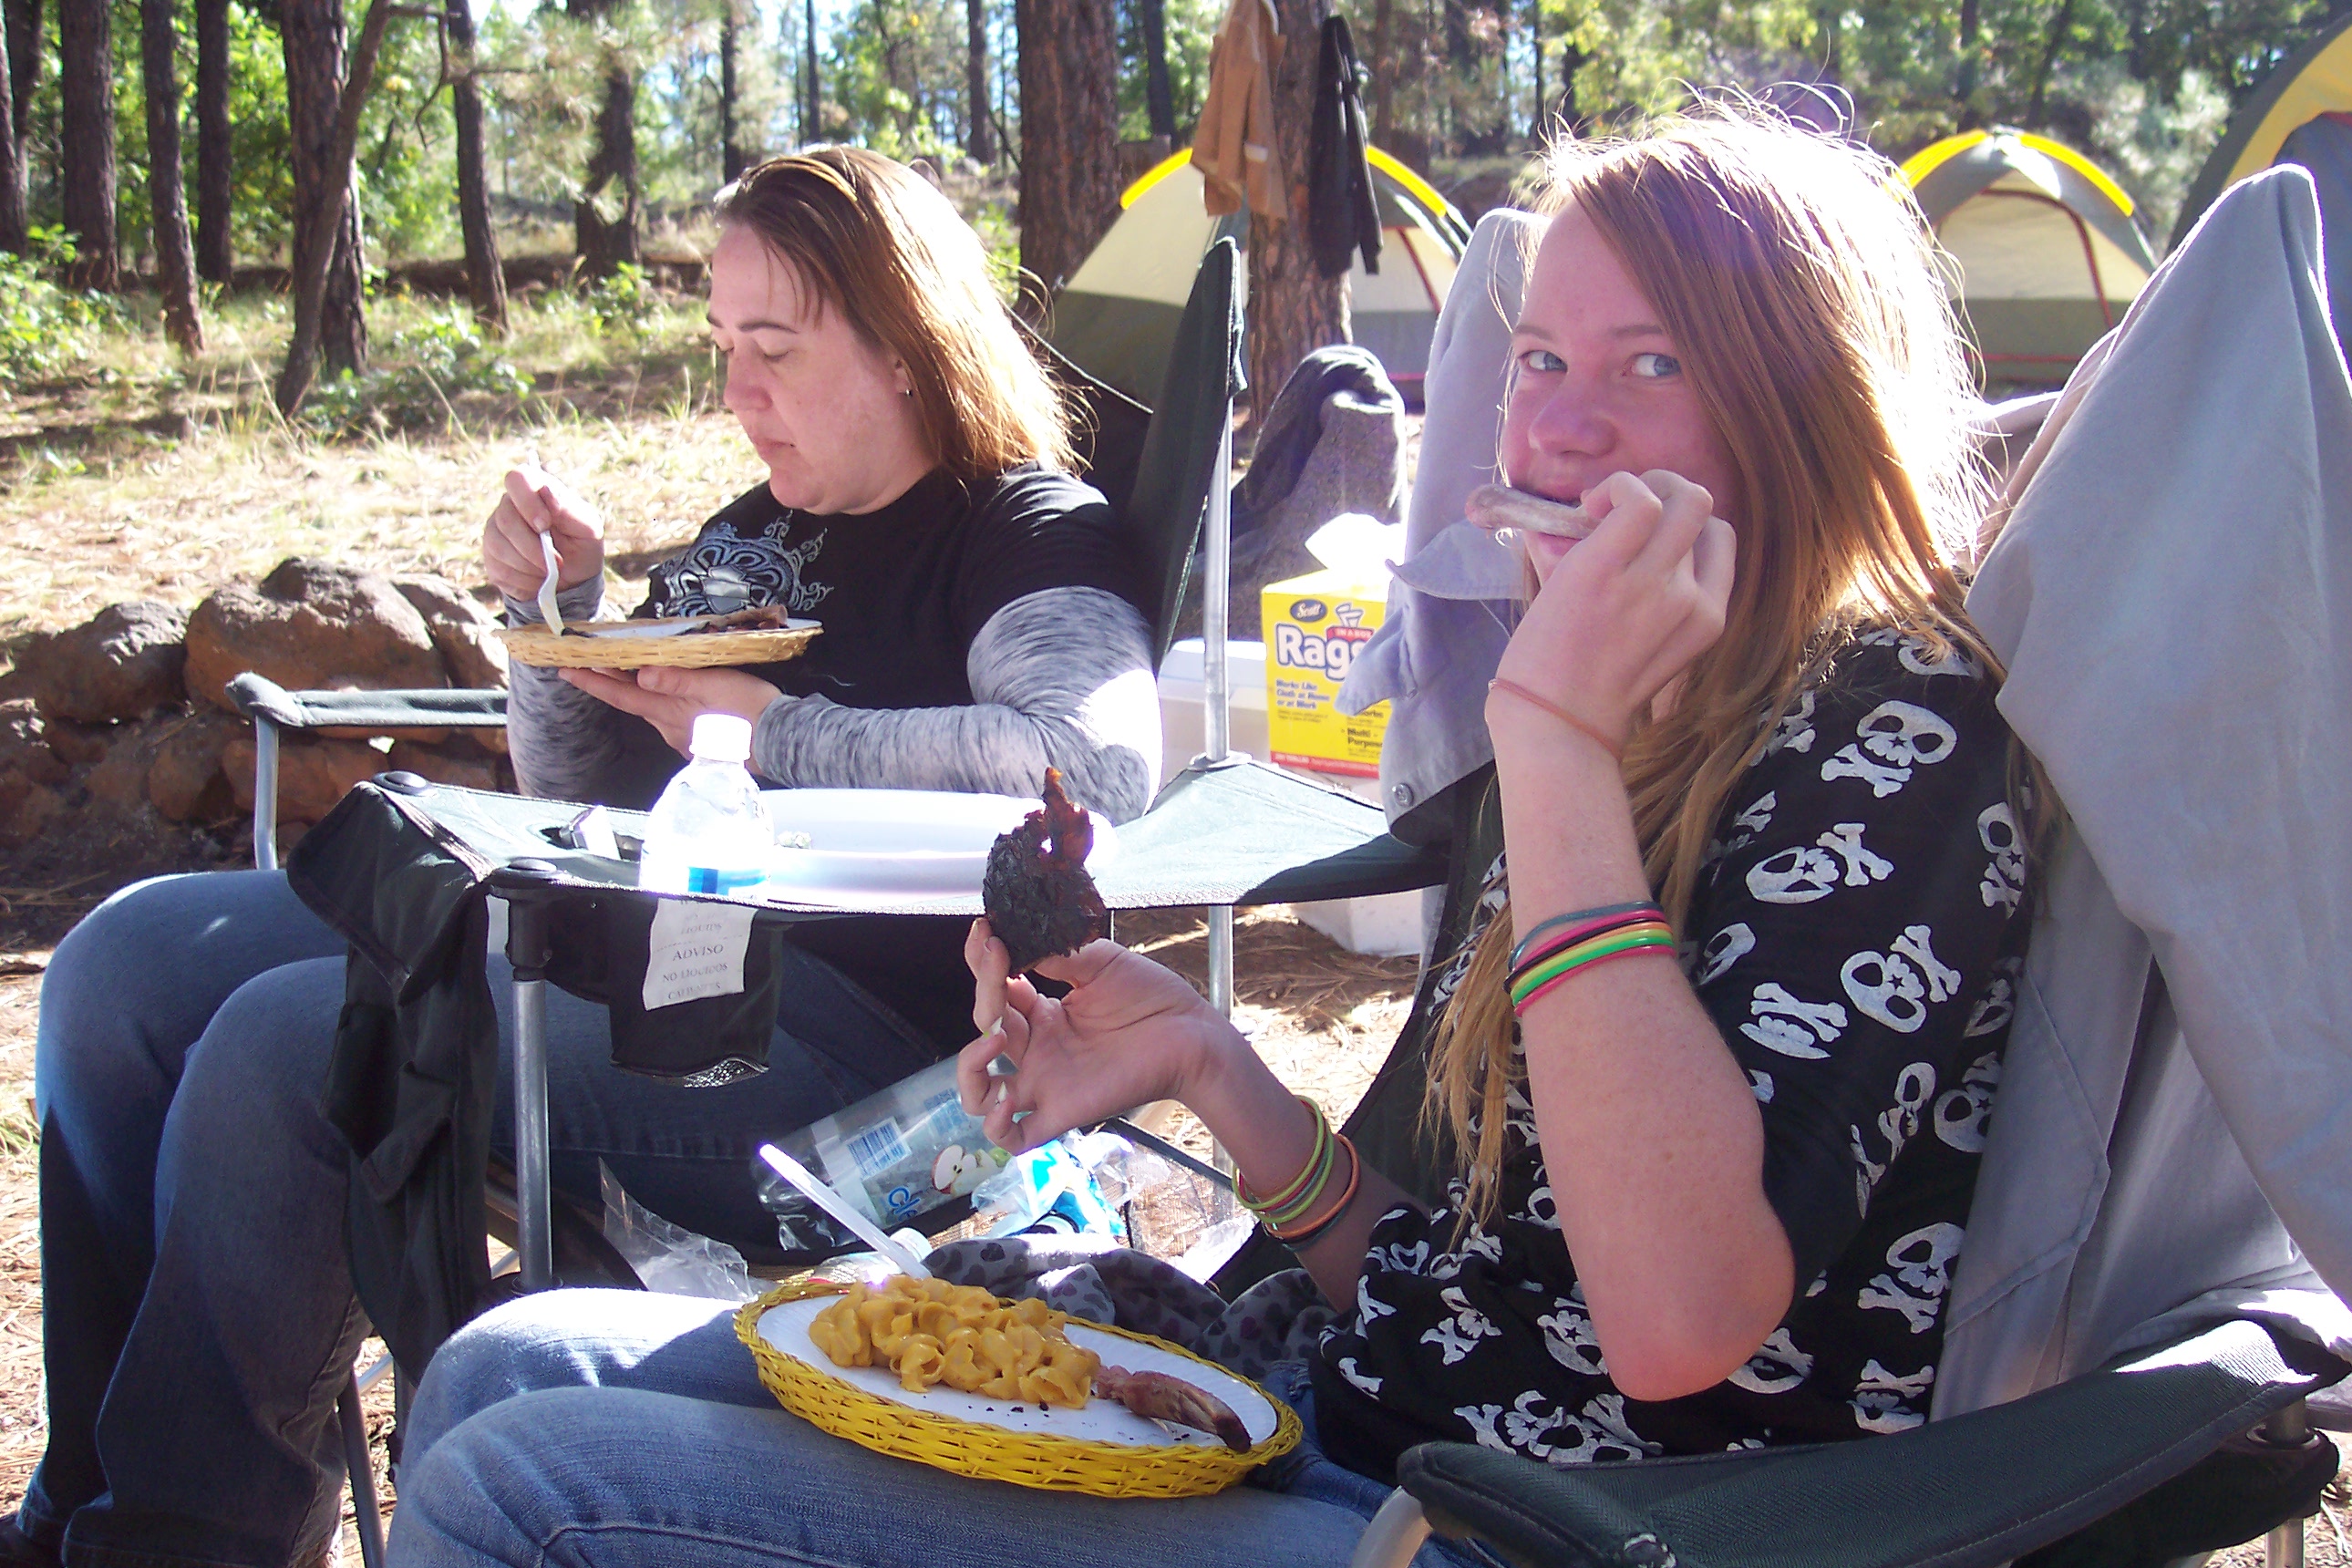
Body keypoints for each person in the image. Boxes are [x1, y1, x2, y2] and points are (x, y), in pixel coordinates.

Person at [385, 108, 2034, 1568]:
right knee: (506, 1369)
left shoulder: (1890, 736)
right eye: (1540, 361)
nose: (1559, 429)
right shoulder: (1656, 723)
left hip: (1534, 1532)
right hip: (1345, 1414)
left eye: (1653, 365)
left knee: (524, 1482)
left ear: (1808, 409)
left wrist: (1548, 741)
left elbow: (1669, 1329)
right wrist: (1208, 1064)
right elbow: (1489, 1302)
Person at [5, 148, 1161, 1568]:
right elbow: (583, 792)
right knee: (121, 967)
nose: (739, 392)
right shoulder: (753, 540)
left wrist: (770, 728)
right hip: (631, 948)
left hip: (868, 1070)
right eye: (723, 345)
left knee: (295, 1040)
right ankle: (79, 1505)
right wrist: (559, 619)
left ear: (908, 348)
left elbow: (1090, 765)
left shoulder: (1023, 531)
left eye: (777, 349)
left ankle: (184, 1540)